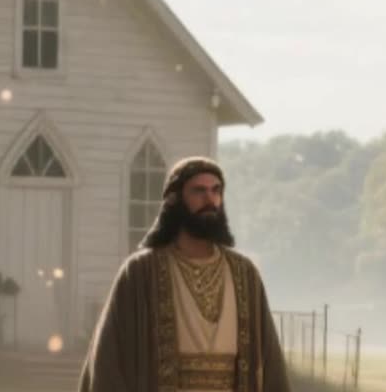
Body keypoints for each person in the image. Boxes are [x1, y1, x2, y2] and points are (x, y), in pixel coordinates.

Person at [80, 156, 291, 391]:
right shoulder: (140, 272)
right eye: (199, 191)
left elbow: (270, 360)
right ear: (175, 199)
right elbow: (108, 359)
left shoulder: (245, 273)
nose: (210, 200)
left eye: (216, 190)